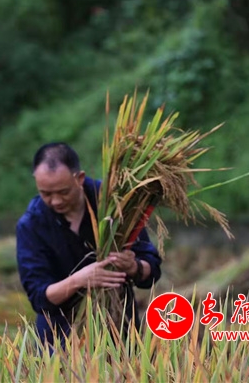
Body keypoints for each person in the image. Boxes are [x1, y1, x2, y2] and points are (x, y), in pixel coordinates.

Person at [16, 142, 162, 350]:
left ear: (80, 178)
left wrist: (133, 266)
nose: (56, 201)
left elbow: (152, 268)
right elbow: (39, 297)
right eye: (46, 193)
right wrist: (79, 280)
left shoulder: (115, 204)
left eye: (63, 192)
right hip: (59, 340)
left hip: (119, 332)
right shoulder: (31, 224)